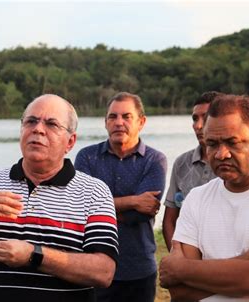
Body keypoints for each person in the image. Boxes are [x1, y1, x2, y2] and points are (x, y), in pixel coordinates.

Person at [0, 94, 119, 302]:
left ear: (70, 142)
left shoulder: (94, 192)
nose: (38, 129)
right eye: (31, 121)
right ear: (21, 130)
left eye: (52, 124)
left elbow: (104, 273)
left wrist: (34, 255)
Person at [159, 94, 249, 301]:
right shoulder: (197, 199)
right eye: (212, 144)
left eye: (232, 142)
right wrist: (248, 267)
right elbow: (179, 291)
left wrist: (182, 269)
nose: (221, 154)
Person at [75, 92, 167, 302]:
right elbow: (80, 208)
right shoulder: (87, 157)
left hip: (138, 268)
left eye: (126, 116)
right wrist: (134, 201)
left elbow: (141, 216)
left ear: (141, 122)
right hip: (92, 267)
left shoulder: (154, 161)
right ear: (105, 122)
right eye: (112, 117)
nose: (118, 123)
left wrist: (97, 212)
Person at [162, 91, 220, 251]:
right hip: (188, 259)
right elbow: (170, 220)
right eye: (195, 118)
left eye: (205, 117)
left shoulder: (232, 163)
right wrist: (177, 259)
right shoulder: (181, 163)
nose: (198, 125)